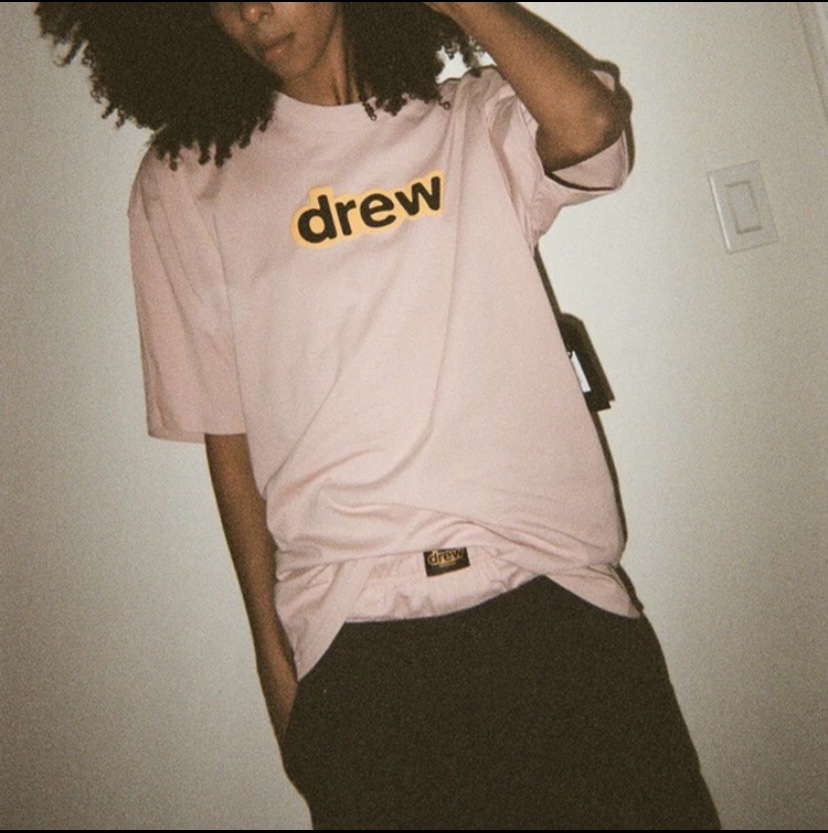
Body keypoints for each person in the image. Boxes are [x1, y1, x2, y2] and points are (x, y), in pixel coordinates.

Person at [37, 3, 721, 829]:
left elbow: (591, 125)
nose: (253, 11)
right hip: (359, 651)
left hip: (558, 607)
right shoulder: (186, 181)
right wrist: (276, 666)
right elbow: (230, 441)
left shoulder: (468, 120)